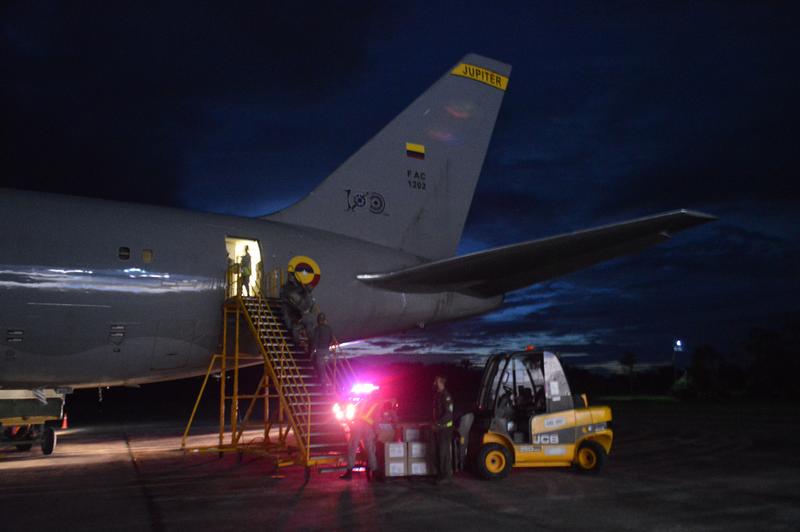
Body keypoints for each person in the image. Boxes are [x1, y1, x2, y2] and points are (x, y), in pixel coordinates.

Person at [340, 397, 380, 481]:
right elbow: (376, 420)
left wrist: (351, 425)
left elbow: (353, 413)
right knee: (370, 450)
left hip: (357, 426)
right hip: (368, 428)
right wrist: (377, 432)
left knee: (352, 448)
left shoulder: (362, 402)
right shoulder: (376, 405)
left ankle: (349, 472)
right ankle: (374, 472)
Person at [432, 375, 454, 483]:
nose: (435, 384)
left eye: (436, 382)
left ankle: (446, 476)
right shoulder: (438, 395)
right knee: (439, 452)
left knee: (443, 453)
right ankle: (441, 475)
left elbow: (448, 414)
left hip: (445, 429)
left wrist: (437, 423)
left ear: (441, 383)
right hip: (439, 428)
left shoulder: (446, 396)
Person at [311, 313, 334, 387]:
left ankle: (323, 386)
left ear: (318, 320)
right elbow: (331, 339)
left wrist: (312, 351)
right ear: (324, 320)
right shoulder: (329, 328)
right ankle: (326, 382)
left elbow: (315, 340)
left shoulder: (317, 328)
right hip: (327, 352)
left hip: (320, 352)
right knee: (324, 367)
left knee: (320, 368)